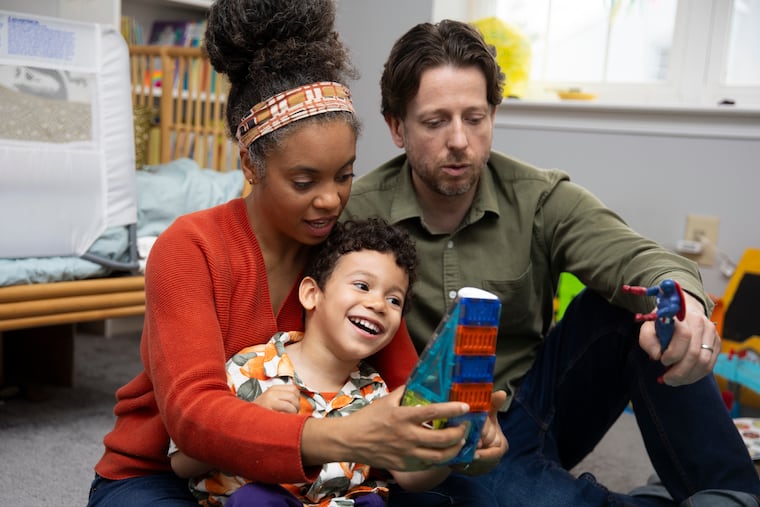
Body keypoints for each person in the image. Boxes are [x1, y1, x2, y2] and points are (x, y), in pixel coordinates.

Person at [86, 4, 506, 506]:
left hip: (318, 483)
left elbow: (406, 390)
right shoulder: (190, 247)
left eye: (344, 175)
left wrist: (453, 432)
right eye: (304, 181)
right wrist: (349, 435)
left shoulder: (350, 258)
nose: (330, 199)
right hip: (166, 476)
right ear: (251, 164)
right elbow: (193, 417)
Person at [342, 18, 760, 507]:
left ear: (493, 115)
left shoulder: (539, 196)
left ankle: (732, 493)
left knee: (634, 303)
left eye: (475, 118)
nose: (459, 140)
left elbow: (635, 256)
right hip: (431, 438)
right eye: (435, 122)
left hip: (534, 406)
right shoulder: (356, 214)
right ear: (397, 127)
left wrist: (682, 298)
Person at [169, 218, 461, 506]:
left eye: (394, 300)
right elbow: (182, 464)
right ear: (311, 295)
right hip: (257, 501)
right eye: (362, 285)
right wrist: (250, 418)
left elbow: (410, 478)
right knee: (254, 499)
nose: (378, 304)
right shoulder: (250, 368)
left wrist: (458, 443)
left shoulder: (377, 394)